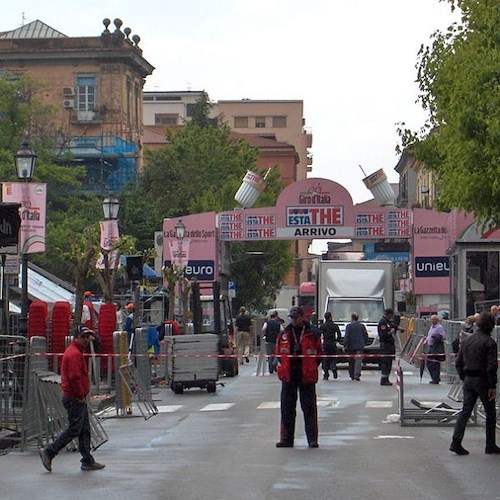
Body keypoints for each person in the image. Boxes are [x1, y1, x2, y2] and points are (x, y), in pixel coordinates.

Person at [39, 326, 105, 472]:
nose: (87, 340)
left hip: (74, 397)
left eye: (88, 336)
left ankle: (87, 459)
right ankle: (50, 452)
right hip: (75, 398)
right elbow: (74, 378)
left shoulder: (75, 351)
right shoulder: (74, 354)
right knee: (75, 429)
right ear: (77, 337)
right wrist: (80, 395)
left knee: (84, 429)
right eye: (85, 337)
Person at [450, 312, 500, 455]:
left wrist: (463, 377)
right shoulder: (490, 343)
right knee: (490, 412)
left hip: (468, 379)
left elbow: (459, 362)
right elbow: (491, 367)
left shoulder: (467, 341)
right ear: (491, 326)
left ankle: (456, 441)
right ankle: (490, 444)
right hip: (482, 380)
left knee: (465, 411)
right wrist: (492, 386)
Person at [275, 306, 322, 448]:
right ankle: (286, 439)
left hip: (306, 376)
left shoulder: (312, 334)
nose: (294, 320)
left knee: (309, 409)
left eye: (296, 317)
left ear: (303, 317)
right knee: (287, 409)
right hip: (289, 376)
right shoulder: (285, 334)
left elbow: (319, 354)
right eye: (292, 317)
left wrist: (311, 366)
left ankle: (312, 439)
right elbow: (279, 353)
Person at [343, 312, 368, 381]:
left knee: (351, 361)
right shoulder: (362, 326)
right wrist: (365, 342)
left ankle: (351, 374)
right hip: (359, 346)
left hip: (351, 346)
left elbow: (347, 336)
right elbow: (365, 335)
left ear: (352, 318)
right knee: (358, 361)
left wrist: (345, 345)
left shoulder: (349, 326)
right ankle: (357, 374)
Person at [319, 311, 341, 380]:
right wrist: (337, 340)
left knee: (325, 359)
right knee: (333, 357)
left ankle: (326, 375)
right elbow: (339, 335)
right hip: (332, 343)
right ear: (331, 317)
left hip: (325, 344)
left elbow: (318, 334)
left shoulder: (322, 326)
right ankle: (333, 366)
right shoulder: (335, 325)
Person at [425, 314, 446, 384]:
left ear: (437, 320)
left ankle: (436, 378)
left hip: (436, 347)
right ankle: (434, 377)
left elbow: (443, 336)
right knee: (429, 362)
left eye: (434, 319)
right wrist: (425, 341)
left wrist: (436, 337)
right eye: (431, 319)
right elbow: (429, 336)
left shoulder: (439, 327)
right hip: (430, 346)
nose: (432, 321)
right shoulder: (432, 327)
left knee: (435, 363)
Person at [378, 308, 395, 386]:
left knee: (389, 363)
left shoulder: (387, 322)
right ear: (388, 314)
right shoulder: (383, 322)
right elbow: (383, 335)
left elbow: (393, 326)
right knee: (386, 362)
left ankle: (386, 378)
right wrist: (390, 332)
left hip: (389, 345)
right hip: (385, 345)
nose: (391, 316)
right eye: (391, 315)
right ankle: (384, 379)